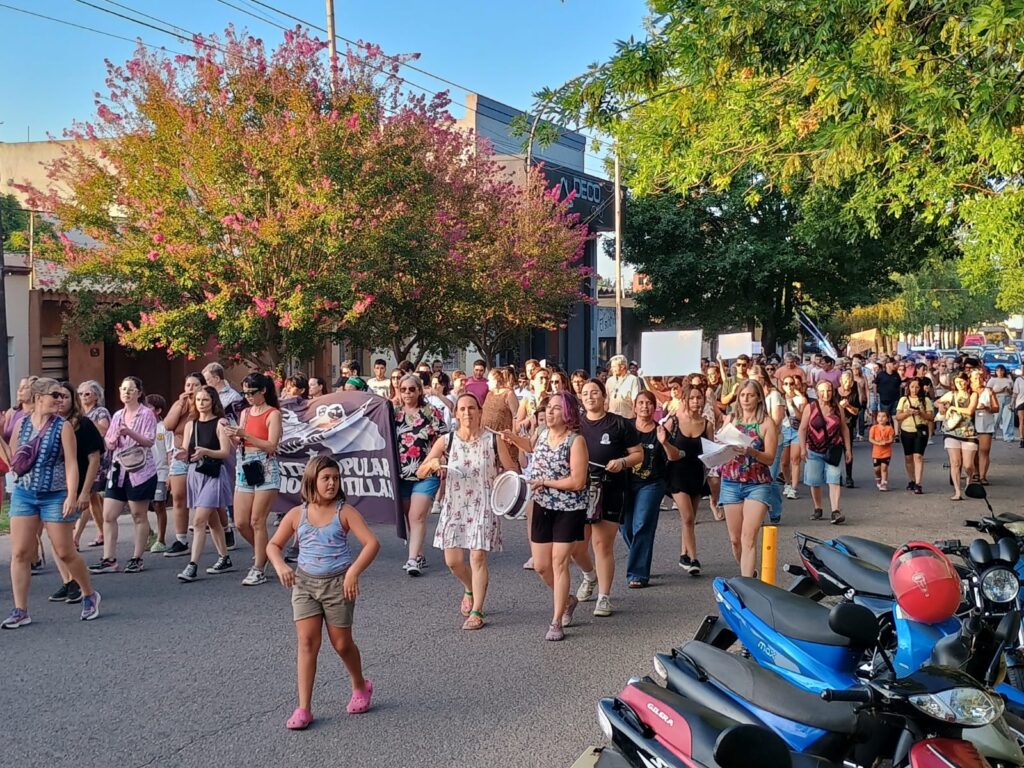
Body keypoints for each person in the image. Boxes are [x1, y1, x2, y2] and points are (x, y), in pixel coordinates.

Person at [267, 457, 379, 730]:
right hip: (305, 585)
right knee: (307, 643)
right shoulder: (297, 515)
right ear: (311, 481)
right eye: (326, 478)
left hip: (337, 584)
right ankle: (304, 707)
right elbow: (273, 545)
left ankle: (359, 685)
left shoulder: (345, 512)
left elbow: (371, 543)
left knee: (341, 643)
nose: (331, 483)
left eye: (336, 478)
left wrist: (353, 572)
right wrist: (281, 565)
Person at [0, 378, 101, 626]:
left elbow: (71, 463)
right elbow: (14, 459)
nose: (59, 399)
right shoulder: (22, 424)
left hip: (54, 494)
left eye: (60, 395)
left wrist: (71, 494)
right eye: (54, 395)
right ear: (38, 398)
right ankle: (20, 610)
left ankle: (89, 594)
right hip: (25, 493)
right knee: (21, 552)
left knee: (65, 551)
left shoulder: (62, 426)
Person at [417, 393, 517, 629]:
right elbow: (420, 471)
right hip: (455, 505)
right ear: (456, 413)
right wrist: (431, 465)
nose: (467, 413)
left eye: (471, 408)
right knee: (453, 561)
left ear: (480, 411)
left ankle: (477, 611)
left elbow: (511, 470)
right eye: (462, 409)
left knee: (477, 557)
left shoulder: (493, 440)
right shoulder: (446, 441)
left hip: (483, 504)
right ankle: (470, 587)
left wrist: (502, 484)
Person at [502, 393, 588, 641]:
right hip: (541, 504)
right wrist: (513, 438)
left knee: (559, 561)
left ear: (568, 414)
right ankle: (569, 600)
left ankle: (556, 619)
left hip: (568, 508)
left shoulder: (575, 441)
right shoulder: (541, 433)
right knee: (541, 565)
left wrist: (544, 482)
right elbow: (531, 448)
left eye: (556, 409)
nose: (550, 413)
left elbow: (578, 481)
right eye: (548, 408)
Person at [574, 379, 643, 618]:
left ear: (604, 396)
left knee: (602, 545)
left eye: (595, 392)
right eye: (585, 393)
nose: (590, 396)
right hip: (579, 490)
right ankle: (589, 576)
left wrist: (622, 462)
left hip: (610, 489)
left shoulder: (620, 424)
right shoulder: (575, 425)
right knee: (576, 547)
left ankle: (604, 596)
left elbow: (638, 455)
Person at [89, 376, 158, 574]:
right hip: (118, 468)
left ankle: (137, 557)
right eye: (123, 389)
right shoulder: (118, 414)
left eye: (130, 389)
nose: (126, 393)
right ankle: (108, 558)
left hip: (140, 470)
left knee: (138, 514)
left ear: (139, 392)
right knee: (108, 515)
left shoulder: (146, 414)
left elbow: (149, 441)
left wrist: (129, 432)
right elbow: (109, 443)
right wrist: (115, 437)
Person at [48, 381, 103, 604]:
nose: (60, 401)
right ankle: (68, 581)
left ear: (73, 400)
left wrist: (84, 492)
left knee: (66, 540)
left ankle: (80, 583)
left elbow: (94, 459)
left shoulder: (83, 424)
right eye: (56, 396)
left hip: (74, 485)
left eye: (65, 397)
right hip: (51, 487)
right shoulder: (48, 425)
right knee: (55, 537)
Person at [719, 381, 778, 577]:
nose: (745, 399)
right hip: (731, 481)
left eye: (750, 395)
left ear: (759, 397)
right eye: (742, 395)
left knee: (748, 537)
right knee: (735, 539)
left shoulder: (766, 423)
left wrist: (752, 451)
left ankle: (747, 586)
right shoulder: (732, 419)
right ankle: (749, 572)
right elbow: (720, 445)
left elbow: (770, 458)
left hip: (757, 483)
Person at [176, 386, 235, 582]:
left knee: (199, 520)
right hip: (196, 473)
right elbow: (187, 450)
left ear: (213, 402)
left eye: (205, 400)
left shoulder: (220, 423)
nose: (201, 404)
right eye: (199, 400)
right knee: (212, 520)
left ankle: (192, 565)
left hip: (214, 473)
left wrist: (205, 452)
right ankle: (224, 557)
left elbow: (225, 452)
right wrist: (181, 454)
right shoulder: (190, 424)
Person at [624, 391, 680, 588]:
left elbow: (674, 457)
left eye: (648, 403)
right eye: (641, 403)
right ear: (635, 406)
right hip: (626, 482)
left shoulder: (660, 430)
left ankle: (637, 574)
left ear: (654, 407)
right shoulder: (626, 427)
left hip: (652, 483)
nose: (644, 407)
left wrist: (664, 442)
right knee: (626, 526)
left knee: (642, 524)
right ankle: (640, 556)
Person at [231, 372, 283, 586]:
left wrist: (246, 436)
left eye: (252, 392)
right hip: (245, 463)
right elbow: (240, 441)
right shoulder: (245, 413)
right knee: (241, 522)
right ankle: (265, 551)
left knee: (257, 520)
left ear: (263, 391)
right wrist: (234, 436)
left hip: (265, 465)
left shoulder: (273, 414)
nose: (248, 397)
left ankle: (258, 567)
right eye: (245, 393)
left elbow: (272, 445)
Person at [394, 374, 448, 576]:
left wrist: (442, 462)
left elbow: (444, 438)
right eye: (403, 389)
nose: (407, 393)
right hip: (400, 473)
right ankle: (418, 552)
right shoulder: (394, 414)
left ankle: (412, 560)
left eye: (411, 389)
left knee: (417, 515)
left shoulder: (431, 412)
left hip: (426, 471)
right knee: (410, 516)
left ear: (419, 391)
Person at [666, 383, 714, 575]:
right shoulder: (674, 421)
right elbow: (663, 443)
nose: (696, 401)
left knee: (690, 519)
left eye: (699, 398)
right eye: (692, 398)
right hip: (677, 472)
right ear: (684, 400)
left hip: (697, 473)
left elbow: (711, 451)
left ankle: (683, 554)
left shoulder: (707, 423)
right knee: (686, 516)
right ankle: (694, 559)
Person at [163, 373, 206, 557]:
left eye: (194, 385)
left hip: (201, 454)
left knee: (205, 500)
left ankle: (224, 529)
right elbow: (167, 425)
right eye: (187, 385)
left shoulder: (205, 403)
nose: (190, 388)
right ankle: (181, 540)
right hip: (180, 455)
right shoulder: (179, 404)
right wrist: (180, 404)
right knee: (178, 496)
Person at [798, 380, 851, 524]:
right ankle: (818, 508)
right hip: (814, 449)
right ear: (816, 393)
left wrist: (848, 449)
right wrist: (802, 448)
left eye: (828, 391)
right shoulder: (811, 407)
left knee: (834, 479)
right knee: (815, 481)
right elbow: (802, 428)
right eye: (822, 391)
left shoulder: (837, 408)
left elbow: (844, 428)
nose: (825, 394)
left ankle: (835, 511)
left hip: (833, 449)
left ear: (832, 392)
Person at [75, 379, 110, 549]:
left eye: (87, 394)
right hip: (83, 458)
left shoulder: (100, 412)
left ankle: (77, 537)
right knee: (94, 497)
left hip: (98, 457)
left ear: (96, 396)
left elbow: (104, 429)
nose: (83, 397)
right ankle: (104, 530)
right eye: (80, 394)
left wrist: (86, 423)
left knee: (89, 494)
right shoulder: (79, 412)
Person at [937, 373, 978, 500]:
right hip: (951, 431)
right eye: (957, 382)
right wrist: (940, 405)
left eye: (962, 381)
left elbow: (970, 411)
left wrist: (953, 408)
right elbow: (937, 401)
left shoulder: (973, 394)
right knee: (955, 463)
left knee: (968, 465)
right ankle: (957, 491)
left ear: (967, 381)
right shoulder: (951, 394)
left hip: (968, 432)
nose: (960, 385)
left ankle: (969, 481)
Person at [895, 377, 934, 494]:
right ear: (908, 387)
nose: (914, 389)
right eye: (912, 387)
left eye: (917, 387)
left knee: (918, 456)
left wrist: (920, 413)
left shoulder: (925, 400)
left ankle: (918, 483)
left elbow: (931, 417)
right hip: (906, 430)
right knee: (908, 457)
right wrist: (908, 412)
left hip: (920, 430)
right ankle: (911, 479)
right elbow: (897, 417)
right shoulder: (903, 399)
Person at [144, 394, 170, 553]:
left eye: (149, 408)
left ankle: (161, 539)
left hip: (161, 472)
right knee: (139, 508)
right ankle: (149, 534)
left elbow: (168, 452)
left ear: (158, 410)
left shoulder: (164, 428)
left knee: (159, 504)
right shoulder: (140, 427)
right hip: (143, 473)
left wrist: (169, 475)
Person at [780, 375, 806, 500]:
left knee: (794, 460)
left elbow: (801, 417)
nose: (789, 386)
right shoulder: (779, 398)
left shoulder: (800, 399)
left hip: (796, 430)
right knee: (784, 462)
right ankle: (787, 483)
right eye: (786, 383)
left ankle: (794, 488)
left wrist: (793, 405)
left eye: (791, 384)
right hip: (784, 430)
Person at [970, 369, 997, 484]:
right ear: (971, 379)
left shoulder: (989, 391)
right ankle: (976, 472)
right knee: (973, 450)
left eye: (980, 377)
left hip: (985, 423)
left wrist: (988, 408)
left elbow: (996, 408)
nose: (978, 380)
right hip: (970, 423)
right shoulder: (968, 391)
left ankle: (982, 476)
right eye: (975, 378)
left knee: (984, 450)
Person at [837, 370, 861, 489]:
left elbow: (857, 411)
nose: (847, 382)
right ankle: (837, 475)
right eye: (845, 380)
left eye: (850, 381)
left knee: (848, 450)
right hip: (836, 426)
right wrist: (839, 407)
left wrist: (848, 406)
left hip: (849, 425)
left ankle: (849, 476)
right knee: (835, 450)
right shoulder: (835, 392)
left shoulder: (854, 393)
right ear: (841, 381)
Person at [481, 367, 519, 436]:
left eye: (489, 380)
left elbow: (515, 415)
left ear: (496, 381)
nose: (487, 383)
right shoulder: (489, 394)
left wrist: (514, 434)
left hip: (502, 435)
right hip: (486, 433)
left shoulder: (509, 394)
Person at [605, 354, 642, 419]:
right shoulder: (609, 381)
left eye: (613, 367)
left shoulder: (633, 379)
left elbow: (635, 400)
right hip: (611, 418)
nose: (611, 369)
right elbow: (606, 400)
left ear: (622, 367)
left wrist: (633, 417)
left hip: (627, 418)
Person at [869, 410, 896, 491]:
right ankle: (878, 478)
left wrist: (886, 442)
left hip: (886, 452)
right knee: (876, 469)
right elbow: (870, 439)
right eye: (879, 416)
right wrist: (877, 443)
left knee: (884, 468)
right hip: (876, 453)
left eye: (883, 416)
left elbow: (891, 439)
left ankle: (884, 483)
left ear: (887, 419)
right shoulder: (874, 428)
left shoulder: (889, 428)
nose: (881, 418)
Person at [989, 365, 1015, 442]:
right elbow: (989, 391)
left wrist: (1008, 390)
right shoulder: (993, 380)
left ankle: (1008, 436)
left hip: (1008, 399)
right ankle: (992, 434)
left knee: (1008, 417)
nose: (999, 372)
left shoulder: (1009, 379)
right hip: (997, 399)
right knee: (996, 417)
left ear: (1004, 371)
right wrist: (1000, 390)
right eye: (997, 370)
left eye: (1001, 370)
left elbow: (1012, 391)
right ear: (995, 372)